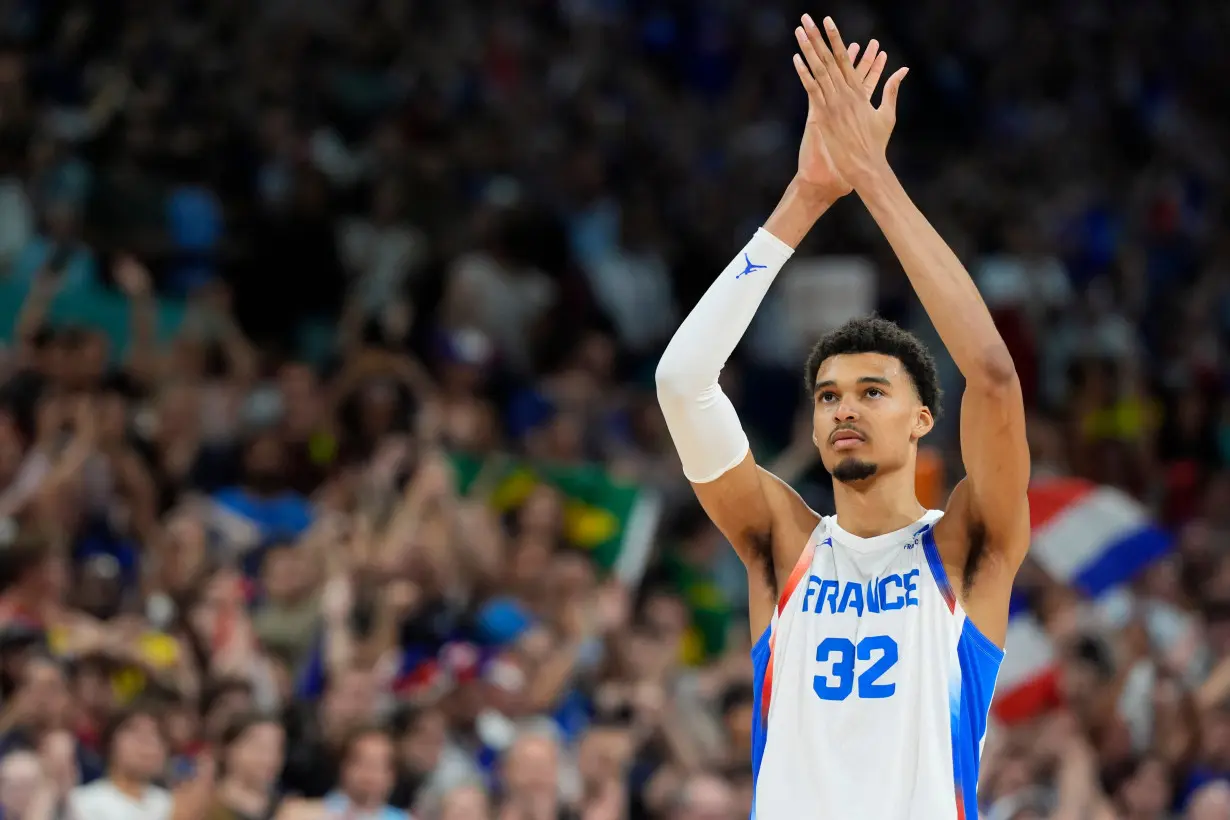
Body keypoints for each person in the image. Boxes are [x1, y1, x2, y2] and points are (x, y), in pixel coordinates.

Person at [655, 13, 1030, 820]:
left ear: (924, 419)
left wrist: (875, 178)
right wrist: (807, 196)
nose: (843, 411)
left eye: (870, 392)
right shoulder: (781, 543)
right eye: (827, 396)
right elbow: (683, 380)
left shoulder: (967, 550)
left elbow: (993, 376)